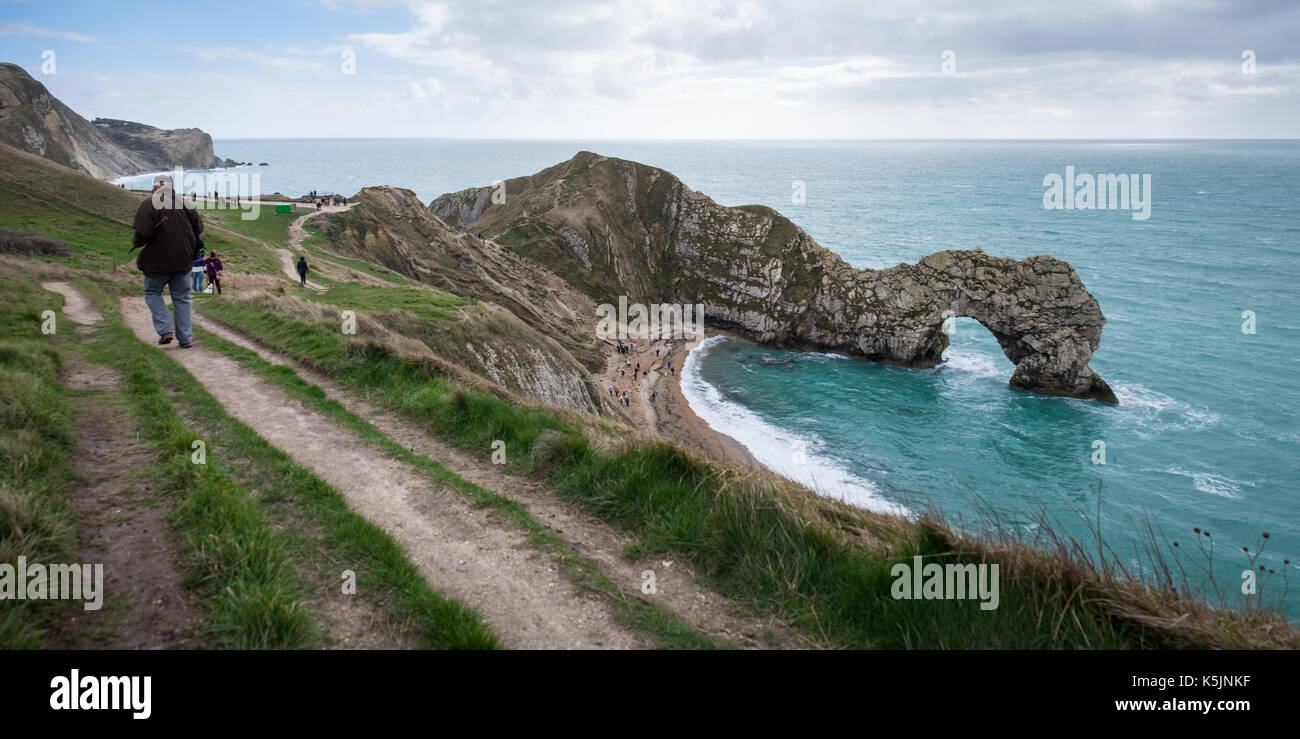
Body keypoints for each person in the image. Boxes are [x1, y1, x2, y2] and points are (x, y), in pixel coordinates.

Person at [132, 174, 203, 348]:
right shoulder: (185, 203)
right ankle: (186, 339)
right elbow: (199, 228)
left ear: (155, 187)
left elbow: (143, 234)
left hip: (158, 261)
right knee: (182, 298)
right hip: (184, 259)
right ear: (172, 187)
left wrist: (136, 243)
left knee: (153, 293)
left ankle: (165, 329)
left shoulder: (148, 204)